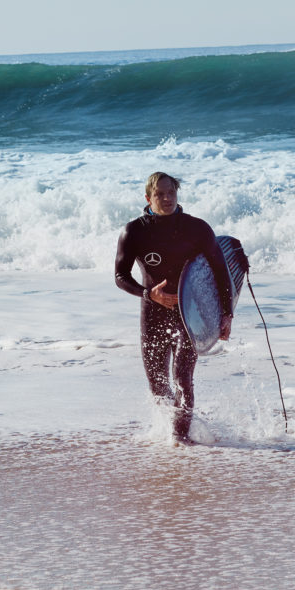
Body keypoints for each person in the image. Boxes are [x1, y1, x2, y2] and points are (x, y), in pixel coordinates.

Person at [113, 171, 245, 444]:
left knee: (183, 379)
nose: (167, 198)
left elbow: (221, 274)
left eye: (171, 192)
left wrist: (226, 315)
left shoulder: (196, 229)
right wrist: (148, 294)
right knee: (159, 388)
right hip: (153, 313)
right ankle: (169, 432)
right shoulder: (134, 231)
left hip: (189, 315)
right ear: (148, 198)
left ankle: (179, 440)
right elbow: (120, 276)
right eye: (160, 194)